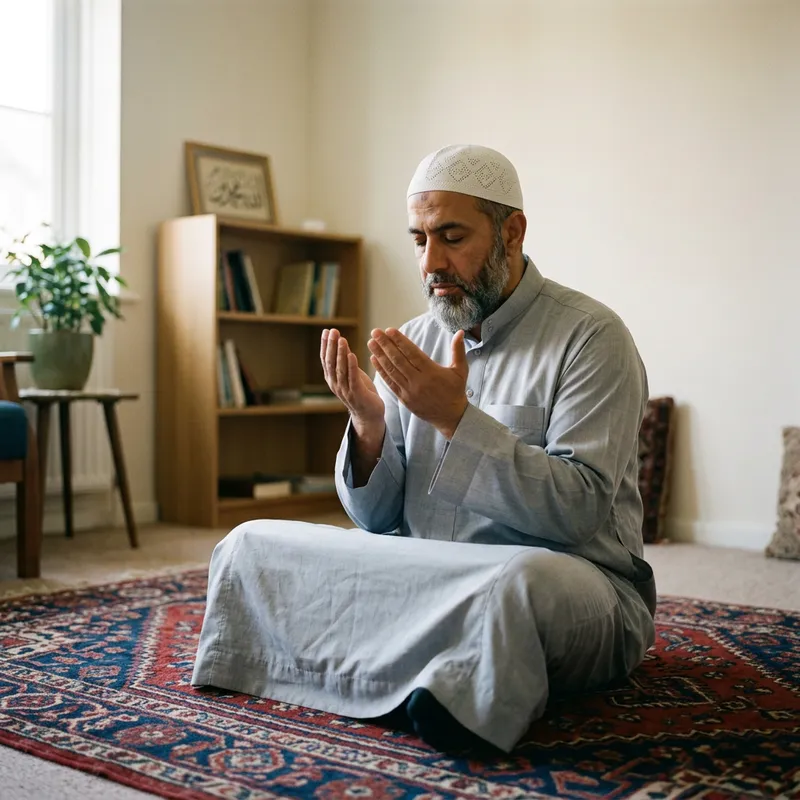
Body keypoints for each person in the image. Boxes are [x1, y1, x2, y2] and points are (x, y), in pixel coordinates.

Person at [191, 143, 657, 755]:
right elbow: (377, 520)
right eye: (418, 240)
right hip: (424, 579)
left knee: (515, 584)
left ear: (511, 232)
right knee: (250, 543)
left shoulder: (592, 338)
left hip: (571, 583)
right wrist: (367, 424)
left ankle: (431, 692)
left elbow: (579, 511)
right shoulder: (412, 340)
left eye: (451, 236)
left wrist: (457, 421)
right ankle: (419, 681)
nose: (431, 261)